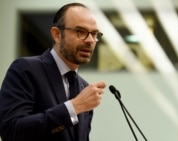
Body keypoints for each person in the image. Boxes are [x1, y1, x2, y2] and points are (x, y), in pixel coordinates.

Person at [0, 2, 106, 141]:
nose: (90, 40)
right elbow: (11, 132)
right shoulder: (26, 69)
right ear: (57, 34)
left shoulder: (84, 88)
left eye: (94, 34)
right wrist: (74, 107)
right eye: (81, 32)